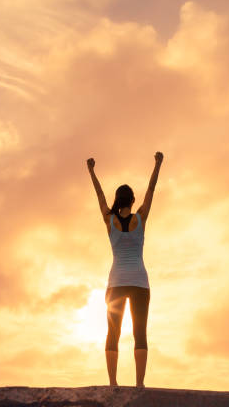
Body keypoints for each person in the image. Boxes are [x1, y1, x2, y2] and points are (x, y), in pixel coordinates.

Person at [86, 151, 163, 388]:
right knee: (140, 332)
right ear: (132, 201)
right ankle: (139, 385)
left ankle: (113, 384)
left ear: (117, 201)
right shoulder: (141, 217)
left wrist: (91, 171)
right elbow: (151, 191)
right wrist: (158, 164)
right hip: (140, 282)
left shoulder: (110, 220)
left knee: (113, 333)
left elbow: (99, 196)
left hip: (116, 282)